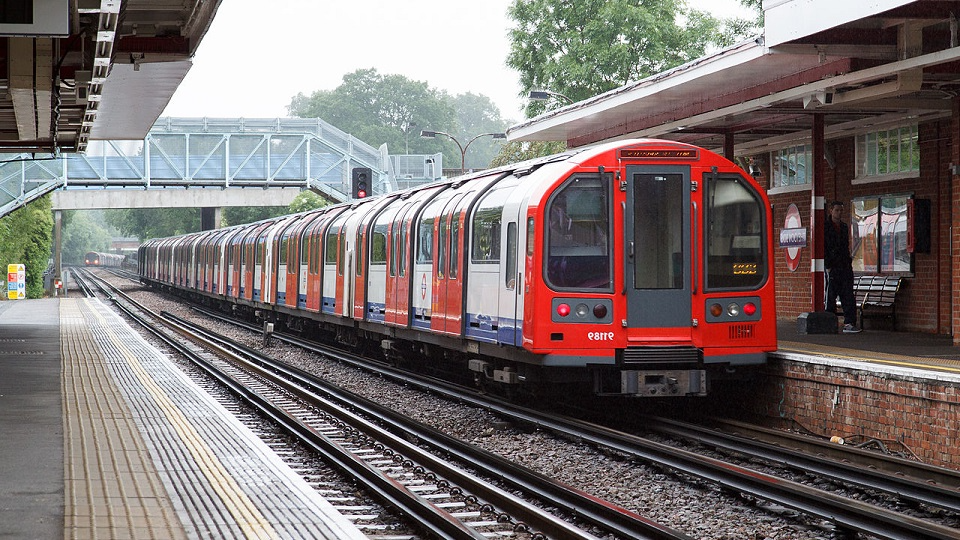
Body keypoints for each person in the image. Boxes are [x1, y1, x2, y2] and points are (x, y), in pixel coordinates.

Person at [824, 200, 861, 333]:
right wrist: (828, 265)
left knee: (848, 295)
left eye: (841, 210)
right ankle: (829, 321)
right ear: (831, 211)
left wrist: (848, 261)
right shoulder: (825, 227)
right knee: (831, 295)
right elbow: (824, 247)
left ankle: (849, 323)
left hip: (844, 265)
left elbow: (845, 246)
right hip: (832, 266)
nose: (839, 213)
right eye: (837, 210)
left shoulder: (844, 227)